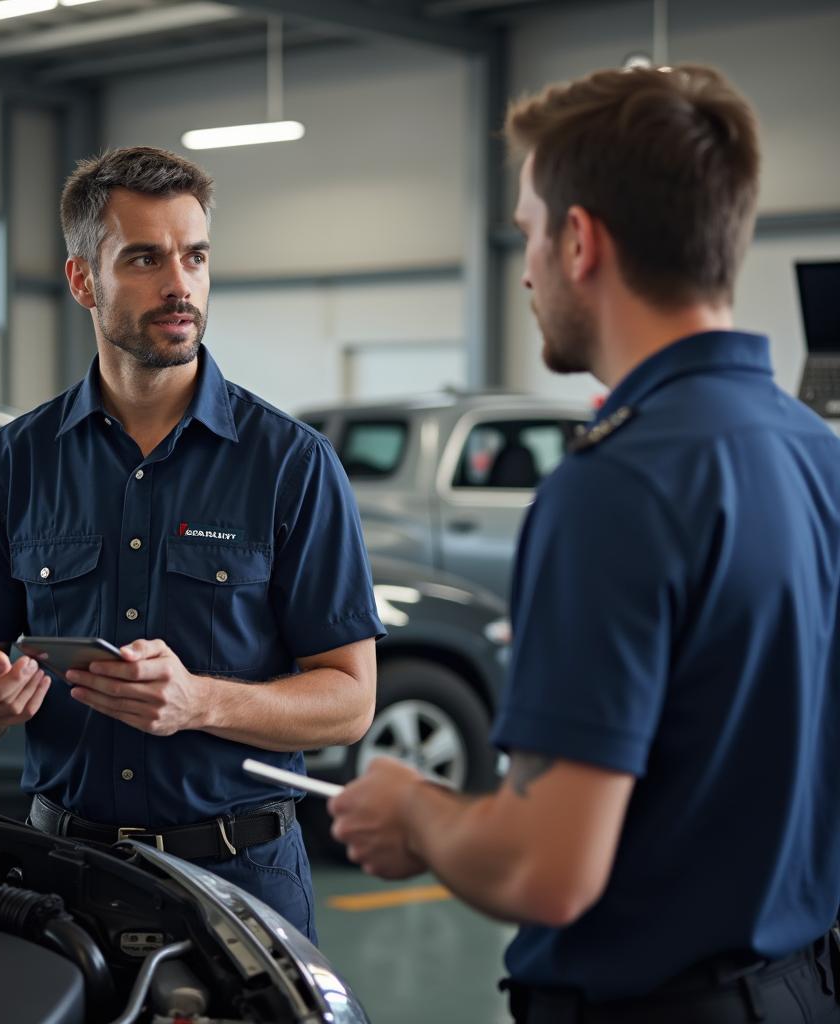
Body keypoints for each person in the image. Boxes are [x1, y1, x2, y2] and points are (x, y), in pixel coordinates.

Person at [329, 64, 840, 1022]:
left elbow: (544, 866)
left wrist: (415, 812)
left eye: (526, 232)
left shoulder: (614, 487)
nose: (524, 269)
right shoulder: (819, 454)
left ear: (579, 239)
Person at [0, 146, 385, 942]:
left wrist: (201, 701)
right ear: (82, 281)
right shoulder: (12, 462)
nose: (180, 284)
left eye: (195, 256)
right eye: (144, 258)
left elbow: (350, 700)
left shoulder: (291, 465)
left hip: (243, 883)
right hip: (59, 878)